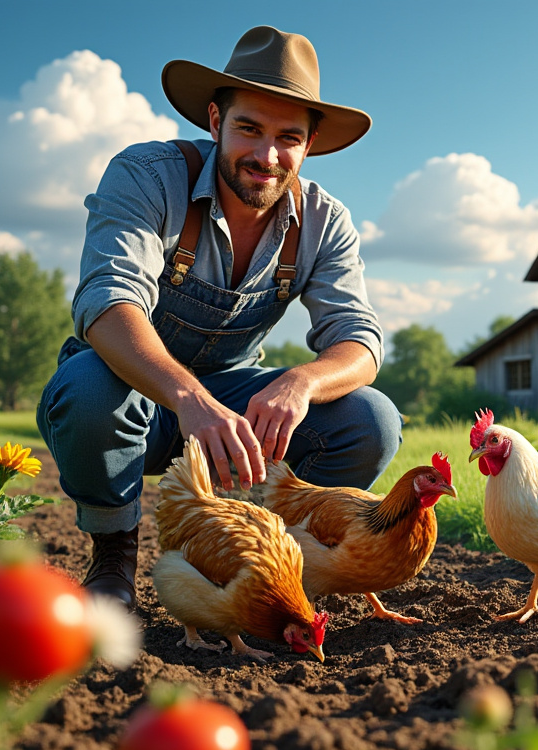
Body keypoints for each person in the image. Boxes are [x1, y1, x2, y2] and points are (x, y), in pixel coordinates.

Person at [37, 26, 401, 610]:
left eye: (288, 138)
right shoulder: (147, 177)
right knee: (85, 390)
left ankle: (266, 565)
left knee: (370, 419)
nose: (267, 156)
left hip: (235, 405)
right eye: (249, 129)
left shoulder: (326, 221)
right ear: (214, 121)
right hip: (130, 390)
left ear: (309, 147)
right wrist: (188, 399)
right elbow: (107, 302)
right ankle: (113, 556)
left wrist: (300, 382)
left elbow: (360, 342)